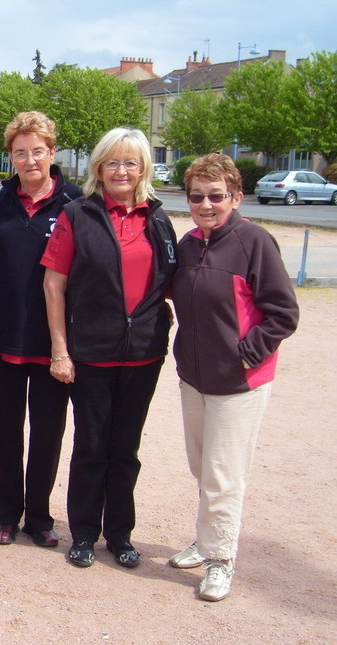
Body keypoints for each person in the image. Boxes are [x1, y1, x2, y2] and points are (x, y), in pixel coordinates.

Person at [41, 127, 177, 569]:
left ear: (143, 170)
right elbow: (54, 285)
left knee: (126, 449)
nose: (122, 171)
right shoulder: (77, 215)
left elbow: (175, 284)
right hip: (92, 353)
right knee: (91, 445)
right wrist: (60, 350)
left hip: (144, 354)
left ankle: (119, 533)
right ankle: (83, 532)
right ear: (99, 168)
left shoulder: (158, 219)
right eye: (113, 162)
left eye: (131, 162)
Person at [169, 153, 299, 601]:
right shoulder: (188, 245)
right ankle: (206, 541)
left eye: (216, 196)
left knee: (224, 474)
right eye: (197, 197)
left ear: (236, 197)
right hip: (195, 377)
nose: (206, 205)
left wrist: (247, 354)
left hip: (239, 382)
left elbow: (283, 312)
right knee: (201, 467)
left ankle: (221, 558)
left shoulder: (254, 242)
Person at [0, 111, 82, 547]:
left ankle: (39, 516)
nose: (30, 160)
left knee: (47, 430)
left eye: (37, 151)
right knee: (5, 428)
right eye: (20, 152)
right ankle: (6, 513)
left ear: (52, 152)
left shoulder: (76, 203)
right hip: (2, 334)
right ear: (11, 157)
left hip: (52, 339)